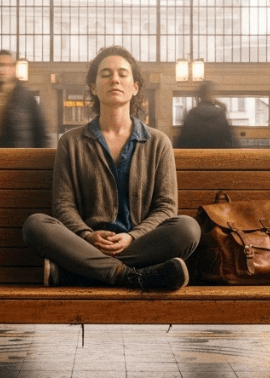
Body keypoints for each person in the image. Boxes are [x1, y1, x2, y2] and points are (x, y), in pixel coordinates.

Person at [22, 45, 200, 290]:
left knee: (188, 229)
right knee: (35, 225)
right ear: (94, 87)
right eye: (105, 74)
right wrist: (87, 236)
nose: (114, 79)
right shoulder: (70, 142)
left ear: (135, 87)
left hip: (139, 244)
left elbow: (166, 207)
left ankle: (77, 273)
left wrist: (132, 236)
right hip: (86, 242)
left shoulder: (158, 143)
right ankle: (131, 275)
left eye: (123, 74)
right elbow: (63, 205)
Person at [174, 80, 235, 150]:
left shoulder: (191, 114)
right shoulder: (220, 114)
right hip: (216, 158)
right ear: (211, 94)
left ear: (200, 96)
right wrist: (223, 107)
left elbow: (181, 143)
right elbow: (229, 142)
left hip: (195, 158)